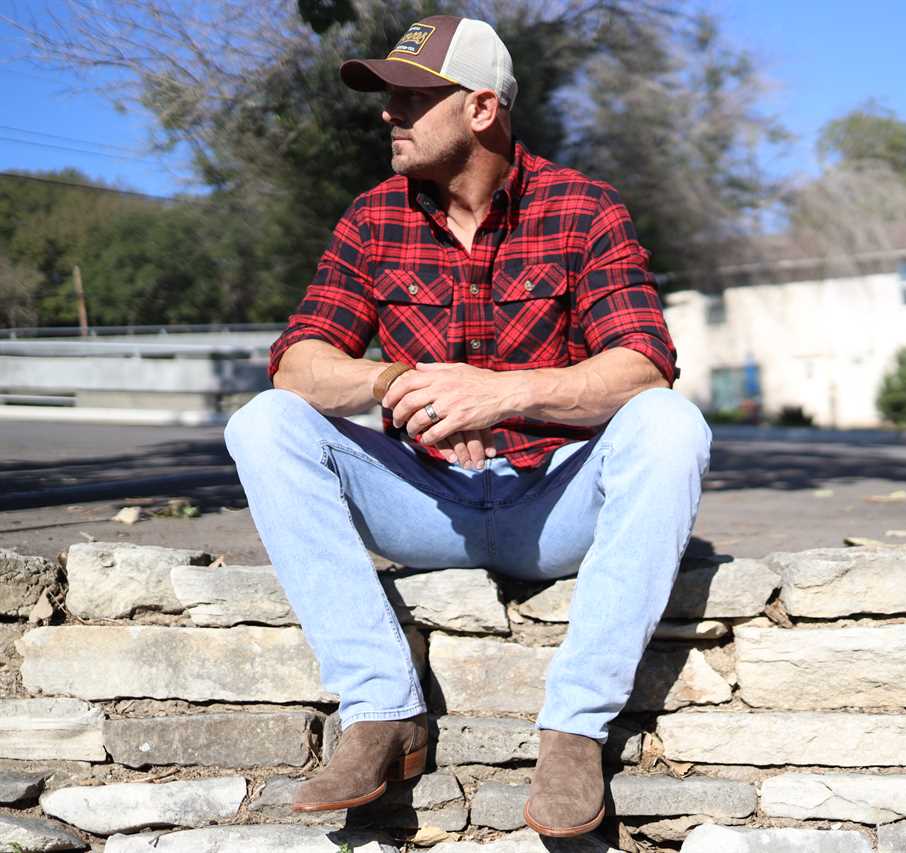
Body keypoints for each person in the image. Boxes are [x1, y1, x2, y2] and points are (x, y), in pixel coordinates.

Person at [222, 14, 711, 839]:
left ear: (481, 109)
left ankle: (573, 731)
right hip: (428, 503)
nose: (390, 117)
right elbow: (299, 361)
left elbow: (641, 367)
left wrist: (503, 394)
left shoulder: (584, 209)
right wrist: (394, 380)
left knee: (671, 423)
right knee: (265, 422)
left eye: (411, 99)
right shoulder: (373, 216)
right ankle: (382, 714)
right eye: (387, 100)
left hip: (550, 505)